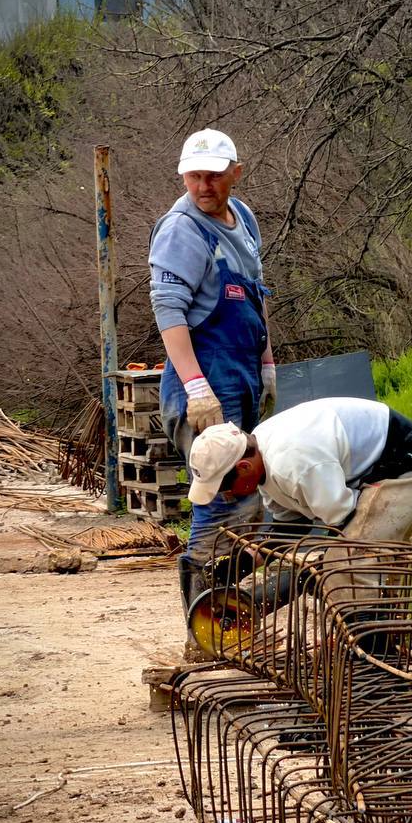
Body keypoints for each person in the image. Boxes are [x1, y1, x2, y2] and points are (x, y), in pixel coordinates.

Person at [148, 128, 276, 651]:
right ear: (183, 175)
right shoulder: (181, 229)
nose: (203, 185)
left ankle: (232, 629)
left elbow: (256, 293)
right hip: (202, 382)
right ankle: (202, 641)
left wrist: (267, 362)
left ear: (234, 173)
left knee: (248, 501)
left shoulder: (242, 219)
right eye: (194, 176)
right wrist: (198, 387)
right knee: (219, 503)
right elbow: (168, 311)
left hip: (242, 370)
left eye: (213, 175)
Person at [186, 397, 412, 542]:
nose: (227, 496)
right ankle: (390, 629)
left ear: (243, 467)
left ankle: (372, 638)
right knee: (378, 560)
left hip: (410, 463)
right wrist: (253, 558)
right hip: (378, 467)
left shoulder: (293, 463)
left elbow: (345, 520)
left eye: (224, 487)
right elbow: (290, 526)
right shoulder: (260, 452)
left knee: (351, 563)